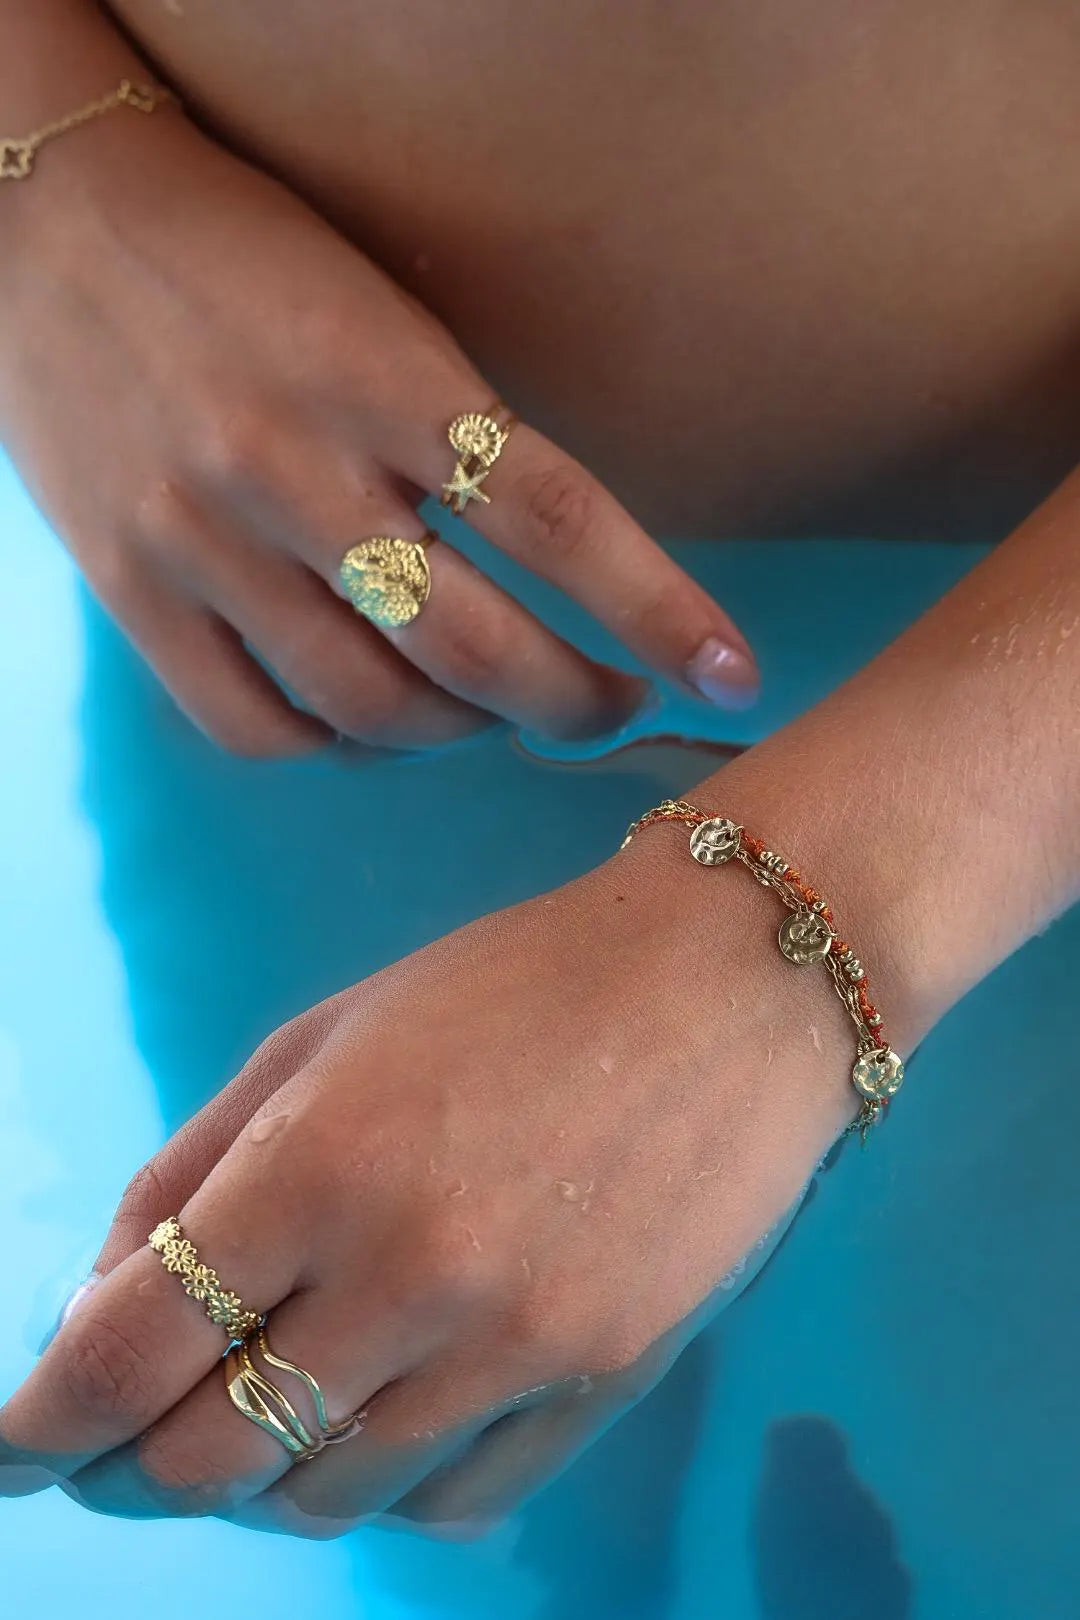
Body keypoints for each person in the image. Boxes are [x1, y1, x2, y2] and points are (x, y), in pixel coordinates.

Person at [0, 0, 1077, 1542]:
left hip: (1024, 732)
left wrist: (792, 933)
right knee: (483, 1538)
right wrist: (49, 183)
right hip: (280, 613)